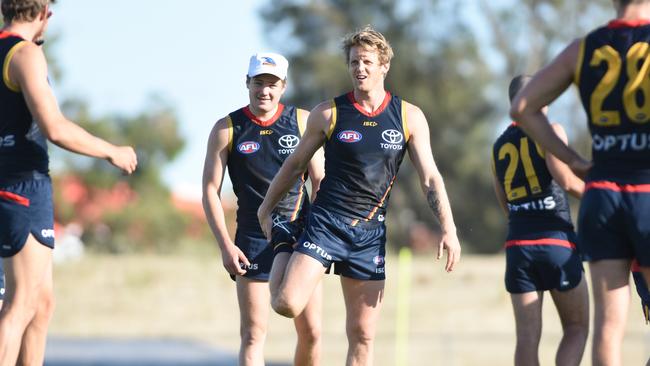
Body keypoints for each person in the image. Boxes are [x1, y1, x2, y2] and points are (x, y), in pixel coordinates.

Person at [257, 26, 461, 366]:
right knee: (287, 303)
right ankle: (284, 241)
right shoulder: (329, 113)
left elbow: (430, 177)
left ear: (384, 66)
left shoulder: (408, 117)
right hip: (325, 224)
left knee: (363, 336)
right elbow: (294, 165)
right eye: (354, 62)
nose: (359, 69)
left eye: (366, 61)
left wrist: (449, 228)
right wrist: (266, 209)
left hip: (369, 234)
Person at [511, 1, 650, 364]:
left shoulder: (583, 47)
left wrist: (573, 160)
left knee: (607, 327)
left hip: (602, 195)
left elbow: (522, 107)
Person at [0, 0, 137, 365]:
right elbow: (55, 128)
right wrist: (111, 150)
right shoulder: (24, 53)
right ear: (44, 10)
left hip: (14, 186)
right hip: (22, 186)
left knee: (41, 304)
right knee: (20, 304)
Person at [202, 52, 324, 366]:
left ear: (283, 87)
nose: (264, 91)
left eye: (272, 84)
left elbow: (319, 181)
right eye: (258, 82)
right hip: (252, 242)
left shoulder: (302, 121)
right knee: (253, 335)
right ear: (247, 83)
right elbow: (210, 191)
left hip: (301, 241)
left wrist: (321, 238)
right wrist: (225, 245)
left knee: (311, 332)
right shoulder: (227, 128)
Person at [493, 75, 589, 366]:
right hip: (555, 241)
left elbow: (504, 200)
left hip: (518, 246)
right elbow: (567, 180)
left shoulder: (498, 145)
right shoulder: (551, 131)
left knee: (526, 339)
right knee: (576, 328)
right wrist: (603, 196)